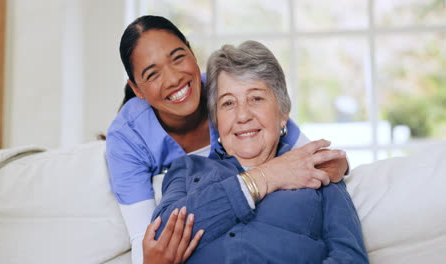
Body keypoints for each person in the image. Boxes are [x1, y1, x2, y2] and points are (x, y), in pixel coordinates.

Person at [106, 15, 349, 263]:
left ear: (192, 52)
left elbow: (309, 156)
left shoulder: (226, 86)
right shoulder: (136, 142)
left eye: (177, 57)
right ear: (137, 89)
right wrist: (265, 177)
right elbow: (150, 240)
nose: (173, 79)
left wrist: (337, 166)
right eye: (152, 73)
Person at [151, 40, 368, 263]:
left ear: (283, 112)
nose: (243, 115)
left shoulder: (316, 170)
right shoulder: (186, 169)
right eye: (228, 103)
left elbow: (350, 258)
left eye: (256, 98)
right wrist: (265, 178)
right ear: (216, 120)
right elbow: (160, 241)